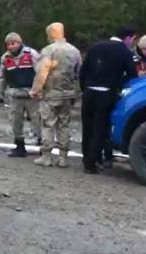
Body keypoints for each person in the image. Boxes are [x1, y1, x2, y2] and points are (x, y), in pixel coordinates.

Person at [79, 26, 138, 173]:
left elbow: (83, 70)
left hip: (89, 91)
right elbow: (132, 75)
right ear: (129, 38)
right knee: (100, 129)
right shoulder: (124, 52)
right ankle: (91, 163)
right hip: (106, 93)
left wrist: (84, 87)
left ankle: (86, 157)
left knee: (87, 127)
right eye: (133, 39)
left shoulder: (96, 47)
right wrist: (118, 82)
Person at [30, 22, 82, 168]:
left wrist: (36, 90)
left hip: (51, 94)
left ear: (50, 34)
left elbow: (42, 73)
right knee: (64, 125)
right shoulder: (75, 51)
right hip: (67, 94)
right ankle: (63, 157)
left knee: (47, 124)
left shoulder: (49, 50)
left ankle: (46, 156)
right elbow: (79, 73)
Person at [0, 32, 41, 157]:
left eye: (13, 43)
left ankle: (43, 144)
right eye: (8, 44)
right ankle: (19, 146)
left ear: (19, 43)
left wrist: (39, 90)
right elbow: (2, 78)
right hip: (15, 94)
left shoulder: (30, 54)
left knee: (37, 120)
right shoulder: (5, 58)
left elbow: (40, 73)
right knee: (15, 121)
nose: (11, 47)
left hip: (32, 94)